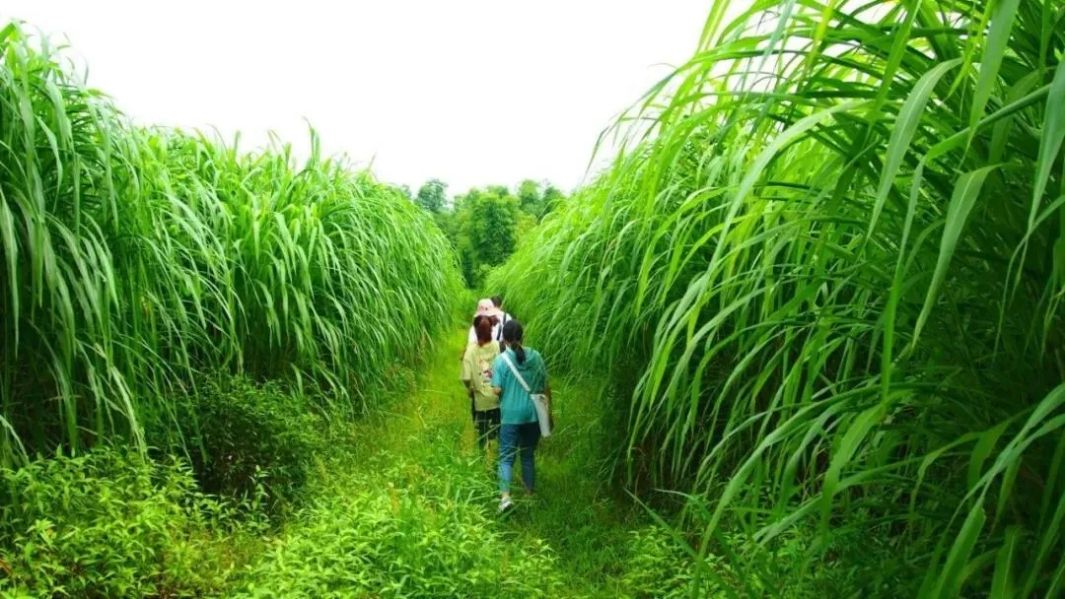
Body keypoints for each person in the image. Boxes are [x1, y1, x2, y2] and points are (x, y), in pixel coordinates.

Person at [491, 319, 551, 512]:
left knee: (506, 457)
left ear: (504, 339)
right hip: (533, 415)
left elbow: (497, 390)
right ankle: (529, 495)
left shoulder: (501, 361)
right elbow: (545, 387)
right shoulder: (536, 356)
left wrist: (493, 383)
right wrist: (549, 413)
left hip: (511, 416)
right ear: (522, 337)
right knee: (527, 455)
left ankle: (505, 498)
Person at [461, 315, 502, 451]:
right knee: (498, 429)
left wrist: (470, 388)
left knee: (482, 431)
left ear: (475, 330)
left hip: (480, 398)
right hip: (497, 395)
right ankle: (498, 455)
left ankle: (482, 455)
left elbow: (466, 377)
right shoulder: (496, 345)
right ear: (491, 329)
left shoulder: (471, 350)